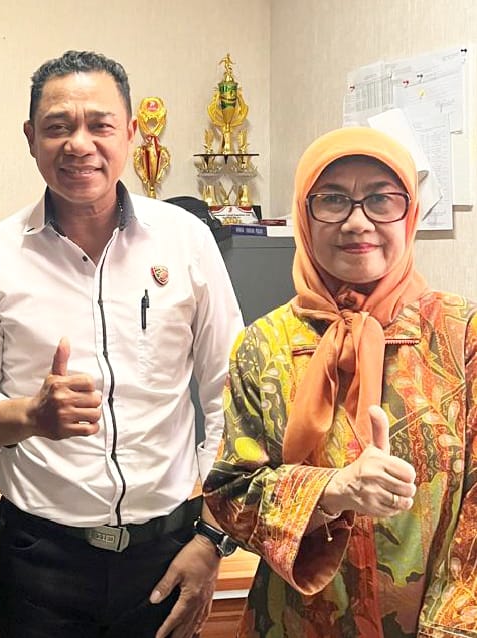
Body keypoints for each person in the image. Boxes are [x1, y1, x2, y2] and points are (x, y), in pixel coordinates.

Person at [0, 50, 244, 638]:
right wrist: (29, 416)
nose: (78, 144)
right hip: (39, 558)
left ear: (131, 133)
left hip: (167, 550)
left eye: (99, 124)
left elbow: (230, 393)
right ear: (31, 138)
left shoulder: (187, 242)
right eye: (58, 126)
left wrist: (213, 537)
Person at [203, 127, 477, 637]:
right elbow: (229, 495)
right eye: (332, 199)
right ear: (304, 216)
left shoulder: (461, 336)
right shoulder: (264, 345)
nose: (357, 221)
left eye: (381, 199)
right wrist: (332, 489)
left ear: (410, 212)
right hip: (296, 623)